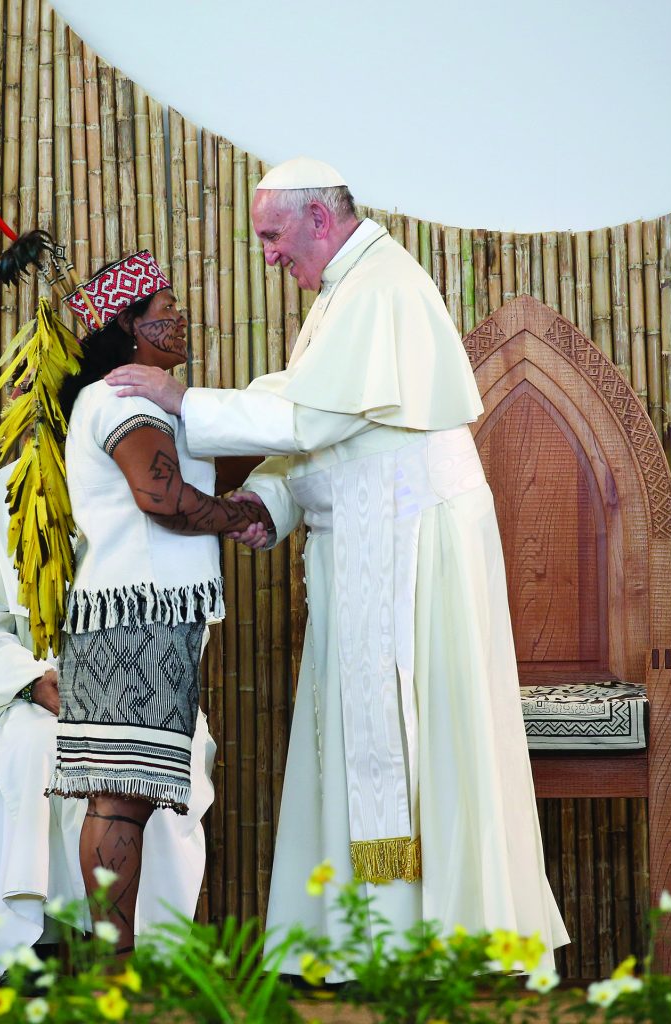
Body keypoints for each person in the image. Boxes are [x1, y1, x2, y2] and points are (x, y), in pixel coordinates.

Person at [105, 159, 569, 973]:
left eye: (273, 237)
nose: (268, 256)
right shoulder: (341, 296)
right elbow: (325, 425)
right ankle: (366, 941)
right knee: (365, 739)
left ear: (320, 218)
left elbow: (313, 416)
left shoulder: (383, 286)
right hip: (364, 540)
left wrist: (186, 401)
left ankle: (446, 941)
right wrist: (273, 509)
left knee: (428, 738)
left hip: (414, 550)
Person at [45, 251, 272, 957]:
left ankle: (115, 958)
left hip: (140, 618)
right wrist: (236, 518)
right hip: (132, 621)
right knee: (119, 796)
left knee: (128, 795)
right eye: (162, 308)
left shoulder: (143, 402)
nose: (178, 318)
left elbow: (192, 471)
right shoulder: (122, 399)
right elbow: (163, 498)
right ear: (129, 329)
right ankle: (112, 963)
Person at [0, 463, 217, 974]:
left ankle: (131, 958)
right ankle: (29, 952)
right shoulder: (1, 495)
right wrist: (33, 681)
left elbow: (184, 610)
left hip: (136, 688)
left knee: (143, 759)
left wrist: (123, 682)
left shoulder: (148, 490)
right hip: (27, 689)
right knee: (29, 748)